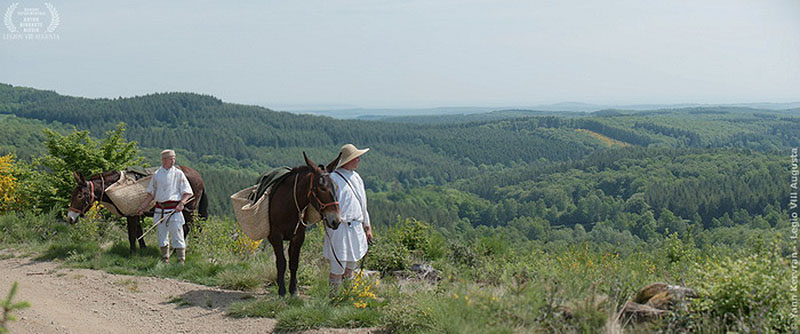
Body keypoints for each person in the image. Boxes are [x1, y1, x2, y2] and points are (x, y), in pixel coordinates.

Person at [324, 144, 374, 290]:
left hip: (356, 227)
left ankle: (348, 297)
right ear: (347, 160)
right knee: (338, 265)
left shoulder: (357, 177)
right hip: (340, 227)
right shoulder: (333, 178)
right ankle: (334, 298)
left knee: (351, 266)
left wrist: (367, 226)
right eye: (356, 157)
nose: (358, 160)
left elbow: (363, 204)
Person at [136, 150, 194, 264]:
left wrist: (182, 203)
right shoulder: (157, 174)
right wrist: (142, 207)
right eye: (171, 158)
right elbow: (151, 194)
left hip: (174, 210)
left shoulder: (178, 173)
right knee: (162, 236)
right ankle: (164, 259)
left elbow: (187, 192)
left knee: (178, 235)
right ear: (164, 160)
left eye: (174, 158)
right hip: (159, 210)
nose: (173, 160)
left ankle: (181, 261)